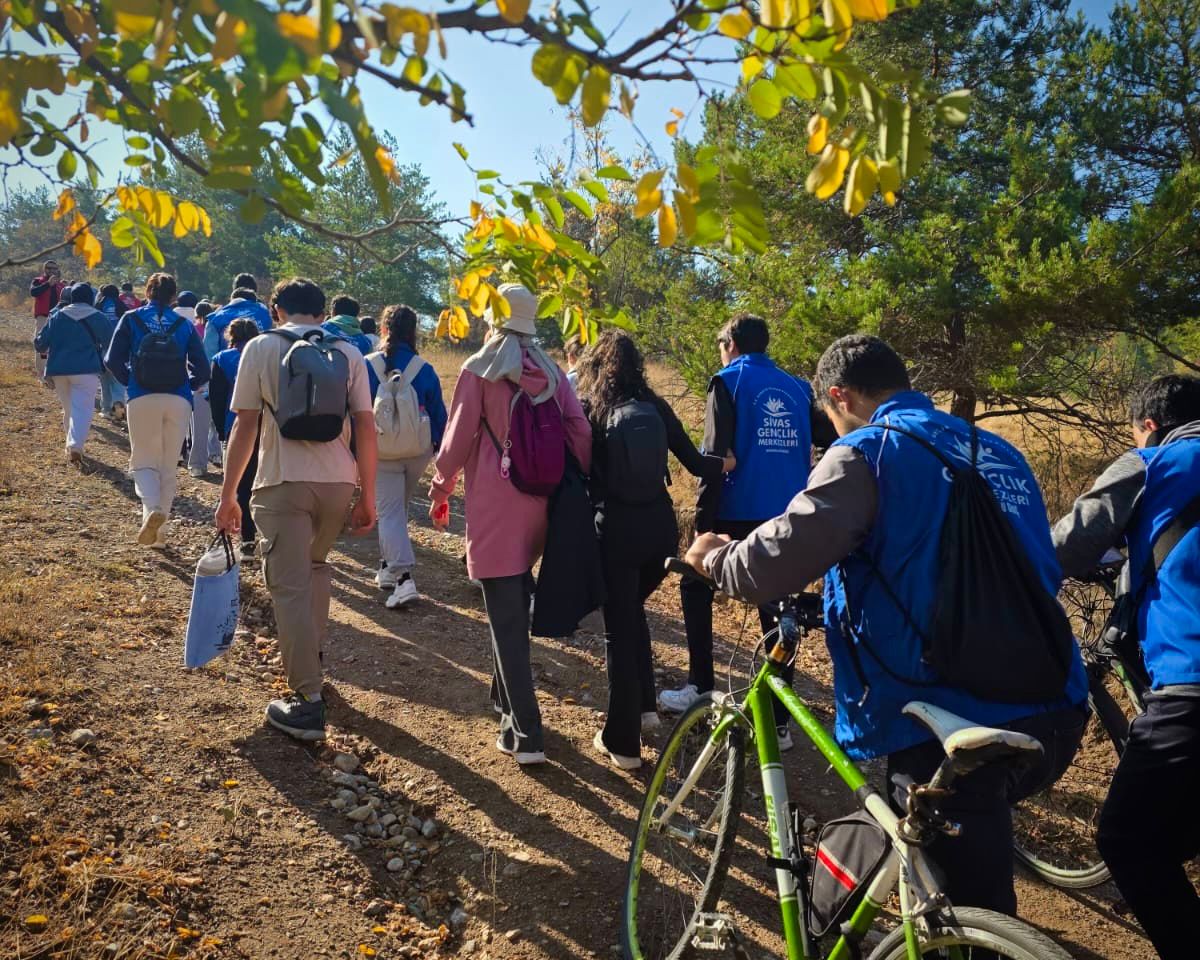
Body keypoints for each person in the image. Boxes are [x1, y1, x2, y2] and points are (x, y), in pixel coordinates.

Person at [685, 334, 1089, 918]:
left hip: (942, 712)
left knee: (946, 899)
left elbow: (773, 562)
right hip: (1052, 702)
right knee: (949, 856)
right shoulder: (999, 451)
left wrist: (714, 559)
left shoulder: (867, 451)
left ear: (838, 397)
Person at [1052, 374, 1200, 960]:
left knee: (1129, 840)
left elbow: (1063, 546)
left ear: (1148, 426)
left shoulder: (1155, 463)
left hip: (1191, 685)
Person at [428, 283, 591, 765]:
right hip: (543, 505)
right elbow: (579, 429)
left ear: (494, 315)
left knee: (506, 622)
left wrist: (441, 486)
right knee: (513, 604)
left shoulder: (479, 369)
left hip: (496, 505)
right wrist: (575, 482)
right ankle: (505, 706)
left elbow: (458, 436)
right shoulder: (553, 371)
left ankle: (527, 734)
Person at [659, 314, 834, 750]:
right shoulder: (797, 387)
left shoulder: (728, 381)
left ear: (732, 343)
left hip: (736, 512)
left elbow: (715, 455)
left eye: (721, 343)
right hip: (790, 513)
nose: (720, 350)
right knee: (779, 612)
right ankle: (777, 722)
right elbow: (829, 433)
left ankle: (700, 686)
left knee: (695, 589)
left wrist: (704, 522)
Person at [216, 278, 377, 743]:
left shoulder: (261, 347)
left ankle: (307, 703)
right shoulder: (348, 353)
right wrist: (366, 494)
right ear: (322, 313)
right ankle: (312, 658)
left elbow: (244, 427)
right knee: (316, 568)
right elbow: (366, 428)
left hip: (282, 483)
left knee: (288, 589)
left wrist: (229, 494)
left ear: (276, 309)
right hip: (338, 483)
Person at [575, 330, 730, 769]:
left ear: (598, 367)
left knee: (617, 631)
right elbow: (698, 465)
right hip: (661, 534)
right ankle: (644, 708)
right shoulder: (657, 407)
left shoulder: (595, 411)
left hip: (617, 533)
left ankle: (622, 743)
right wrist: (727, 464)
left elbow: (583, 476)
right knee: (632, 613)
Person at [105, 273, 209, 547]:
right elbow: (203, 367)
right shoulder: (184, 325)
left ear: (148, 292)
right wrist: (188, 385)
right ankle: (159, 536)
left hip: (142, 396)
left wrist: (131, 381)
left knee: (143, 461)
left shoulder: (131, 319)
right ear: (174, 296)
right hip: (178, 398)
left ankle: (152, 510)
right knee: (168, 465)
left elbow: (112, 359)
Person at [366, 304, 447, 609]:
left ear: (383, 329)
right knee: (397, 509)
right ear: (414, 332)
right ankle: (387, 568)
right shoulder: (423, 369)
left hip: (380, 450)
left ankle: (403, 579)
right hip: (417, 451)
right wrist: (441, 454)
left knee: (389, 513)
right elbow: (439, 415)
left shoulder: (366, 364)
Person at [34, 282, 108, 464]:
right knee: (82, 409)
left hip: (59, 369)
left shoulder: (57, 316)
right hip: (86, 369)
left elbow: (41, 343)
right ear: (91, 298)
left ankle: (69, 444)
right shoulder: (98, 317)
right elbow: (111, 342)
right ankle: (75, 445)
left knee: (69, 409)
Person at [209, 317, 262, 560]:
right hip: (267, 428)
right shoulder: (265, 356)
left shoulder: (222, 359)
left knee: (242, 484)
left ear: (231, 336)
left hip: (237, 427)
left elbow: (218, 400)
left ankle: (248, 540)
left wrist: (221, 431)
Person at [202, 275, 271, 359]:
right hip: (260, 368)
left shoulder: (215, 319)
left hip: (226, 369)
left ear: (233, 292)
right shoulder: (264, 311)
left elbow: (209, 356)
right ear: (254, 293)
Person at [95, 284, 128, 422]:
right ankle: (119, 405)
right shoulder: (122, 307)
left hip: (102, 348)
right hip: (119, 350)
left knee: (104, 381)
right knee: (118, 381)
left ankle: (107, 409)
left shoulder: (98, 308)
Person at [30, 260, 67, 381]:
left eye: (54, 268)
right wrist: (48, 284)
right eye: (48, 268)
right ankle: (41, 373)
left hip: (57, 319)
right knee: (42, 345)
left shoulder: (61, 285)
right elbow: (33, 292)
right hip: (43, 317)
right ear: (44, 269)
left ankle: (54, 372)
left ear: (57, 270)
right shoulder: (38, 281)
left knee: (57, 345)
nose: (51, 270)